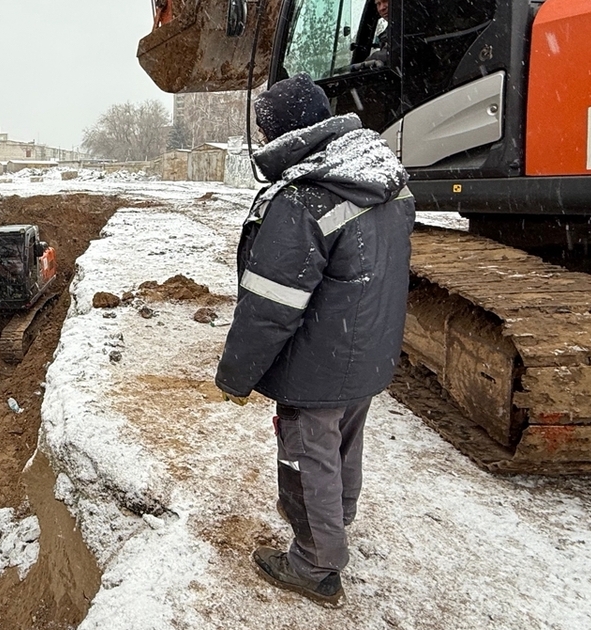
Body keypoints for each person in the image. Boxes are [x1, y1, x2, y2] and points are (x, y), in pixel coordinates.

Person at [214, 73, 414, 607]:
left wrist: (236, 374)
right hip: (364, 352)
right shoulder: (379, 181)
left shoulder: (305, 197)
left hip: (317, 362)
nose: (259, 133)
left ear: (284, 130)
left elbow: (270, 305)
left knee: (307, 457)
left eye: (263, 125)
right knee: (342, 446)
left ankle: (315, 565)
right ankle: (336, 525)